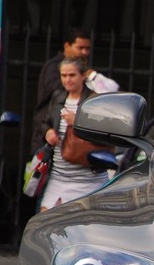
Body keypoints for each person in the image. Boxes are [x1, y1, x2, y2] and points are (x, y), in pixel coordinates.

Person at [34, 57, 110, 212]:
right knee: (46, 218)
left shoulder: (94, 99)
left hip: (88, 178)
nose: (67, 80)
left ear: (82, 76)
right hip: (59, 175)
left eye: (72, 75)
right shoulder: (58, 97)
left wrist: (77, 122)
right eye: (63, 75)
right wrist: (48, 132)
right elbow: (45, 122)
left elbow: (105, 133)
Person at [34, 28, 92, 121]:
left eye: (87, 48)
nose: (84, 52)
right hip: (49, 126)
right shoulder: (53, 66)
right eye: (80, 48)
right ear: (67, 46)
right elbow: (54, 88)